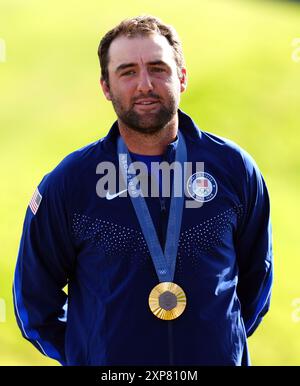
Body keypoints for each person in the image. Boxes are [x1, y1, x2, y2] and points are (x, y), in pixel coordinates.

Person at [13, 15, 273, 366]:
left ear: (181, 77)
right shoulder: (70, 183)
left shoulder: (234, 170)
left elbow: (257, 281)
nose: (145, 85)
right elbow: (34, 302)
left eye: (158, 68)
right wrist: (89, 357)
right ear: (106, 86)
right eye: (127, 72)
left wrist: (220, 346)